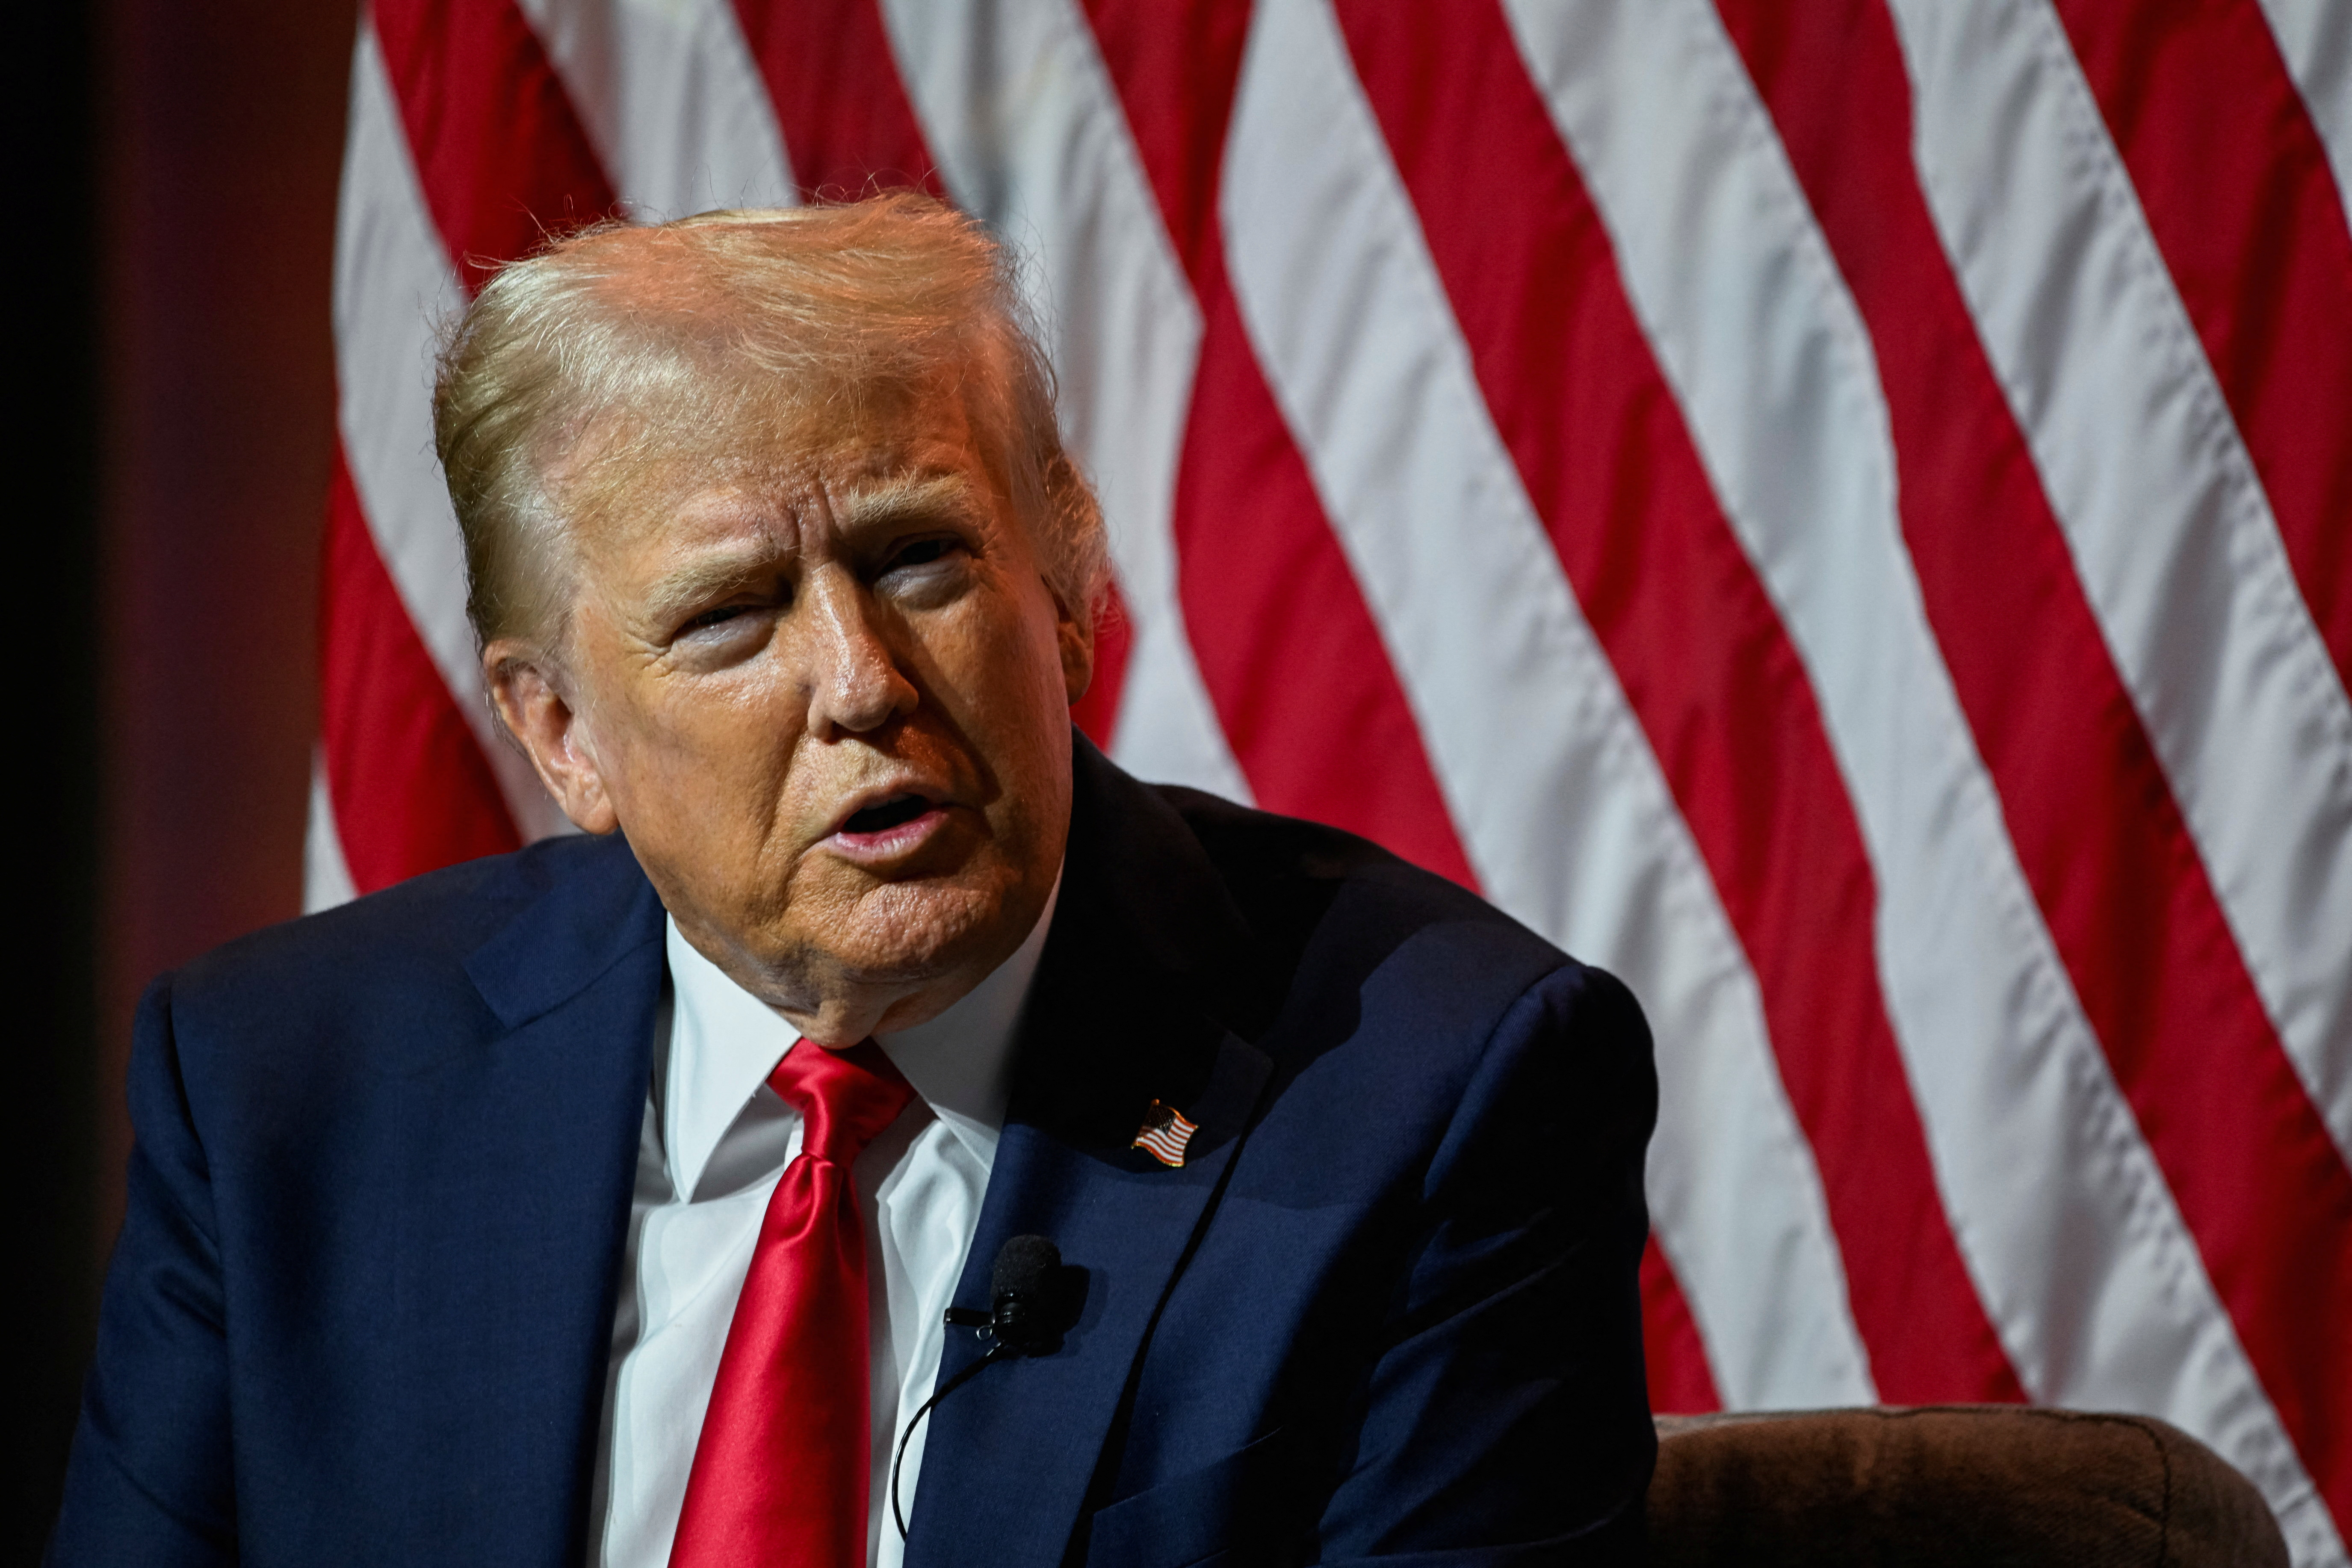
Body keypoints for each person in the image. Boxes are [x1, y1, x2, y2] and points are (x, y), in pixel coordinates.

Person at [50, 194, 1658, 1568]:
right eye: (730, 614)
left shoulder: (1434, 1090)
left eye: (917, 558)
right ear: (562, 734)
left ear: (1068, 596)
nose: (861, 679)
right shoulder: (285, 1089)